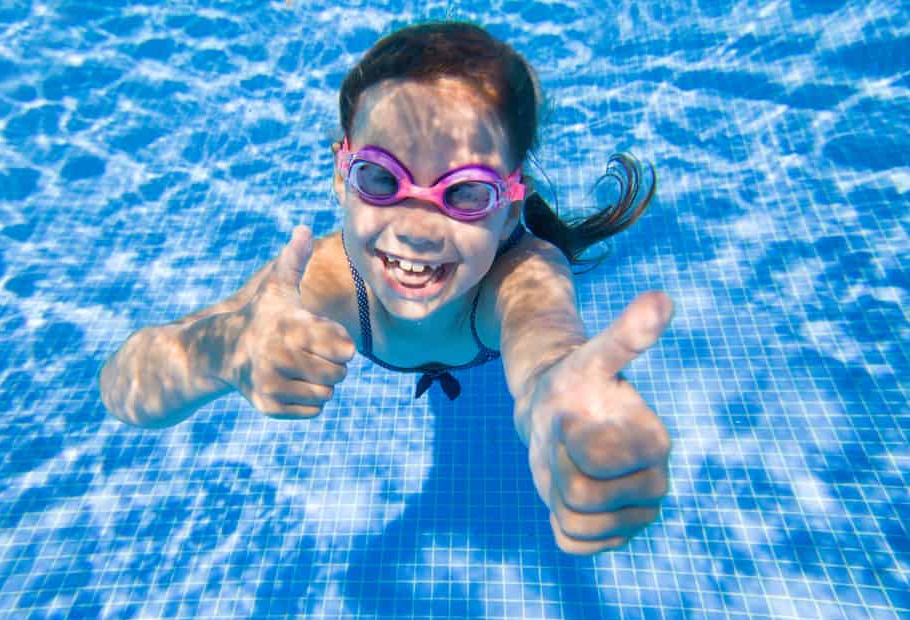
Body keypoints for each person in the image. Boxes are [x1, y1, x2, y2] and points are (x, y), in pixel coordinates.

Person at [99, 20, 675, 555]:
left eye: (466, 192)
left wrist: (558, 400)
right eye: (380, 177)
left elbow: (547, 342)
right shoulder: (322, 280)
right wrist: (222, 350)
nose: (417, 229)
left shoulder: (525, 274)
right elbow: (121, 386)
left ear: (507, 209)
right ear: (339, 173)